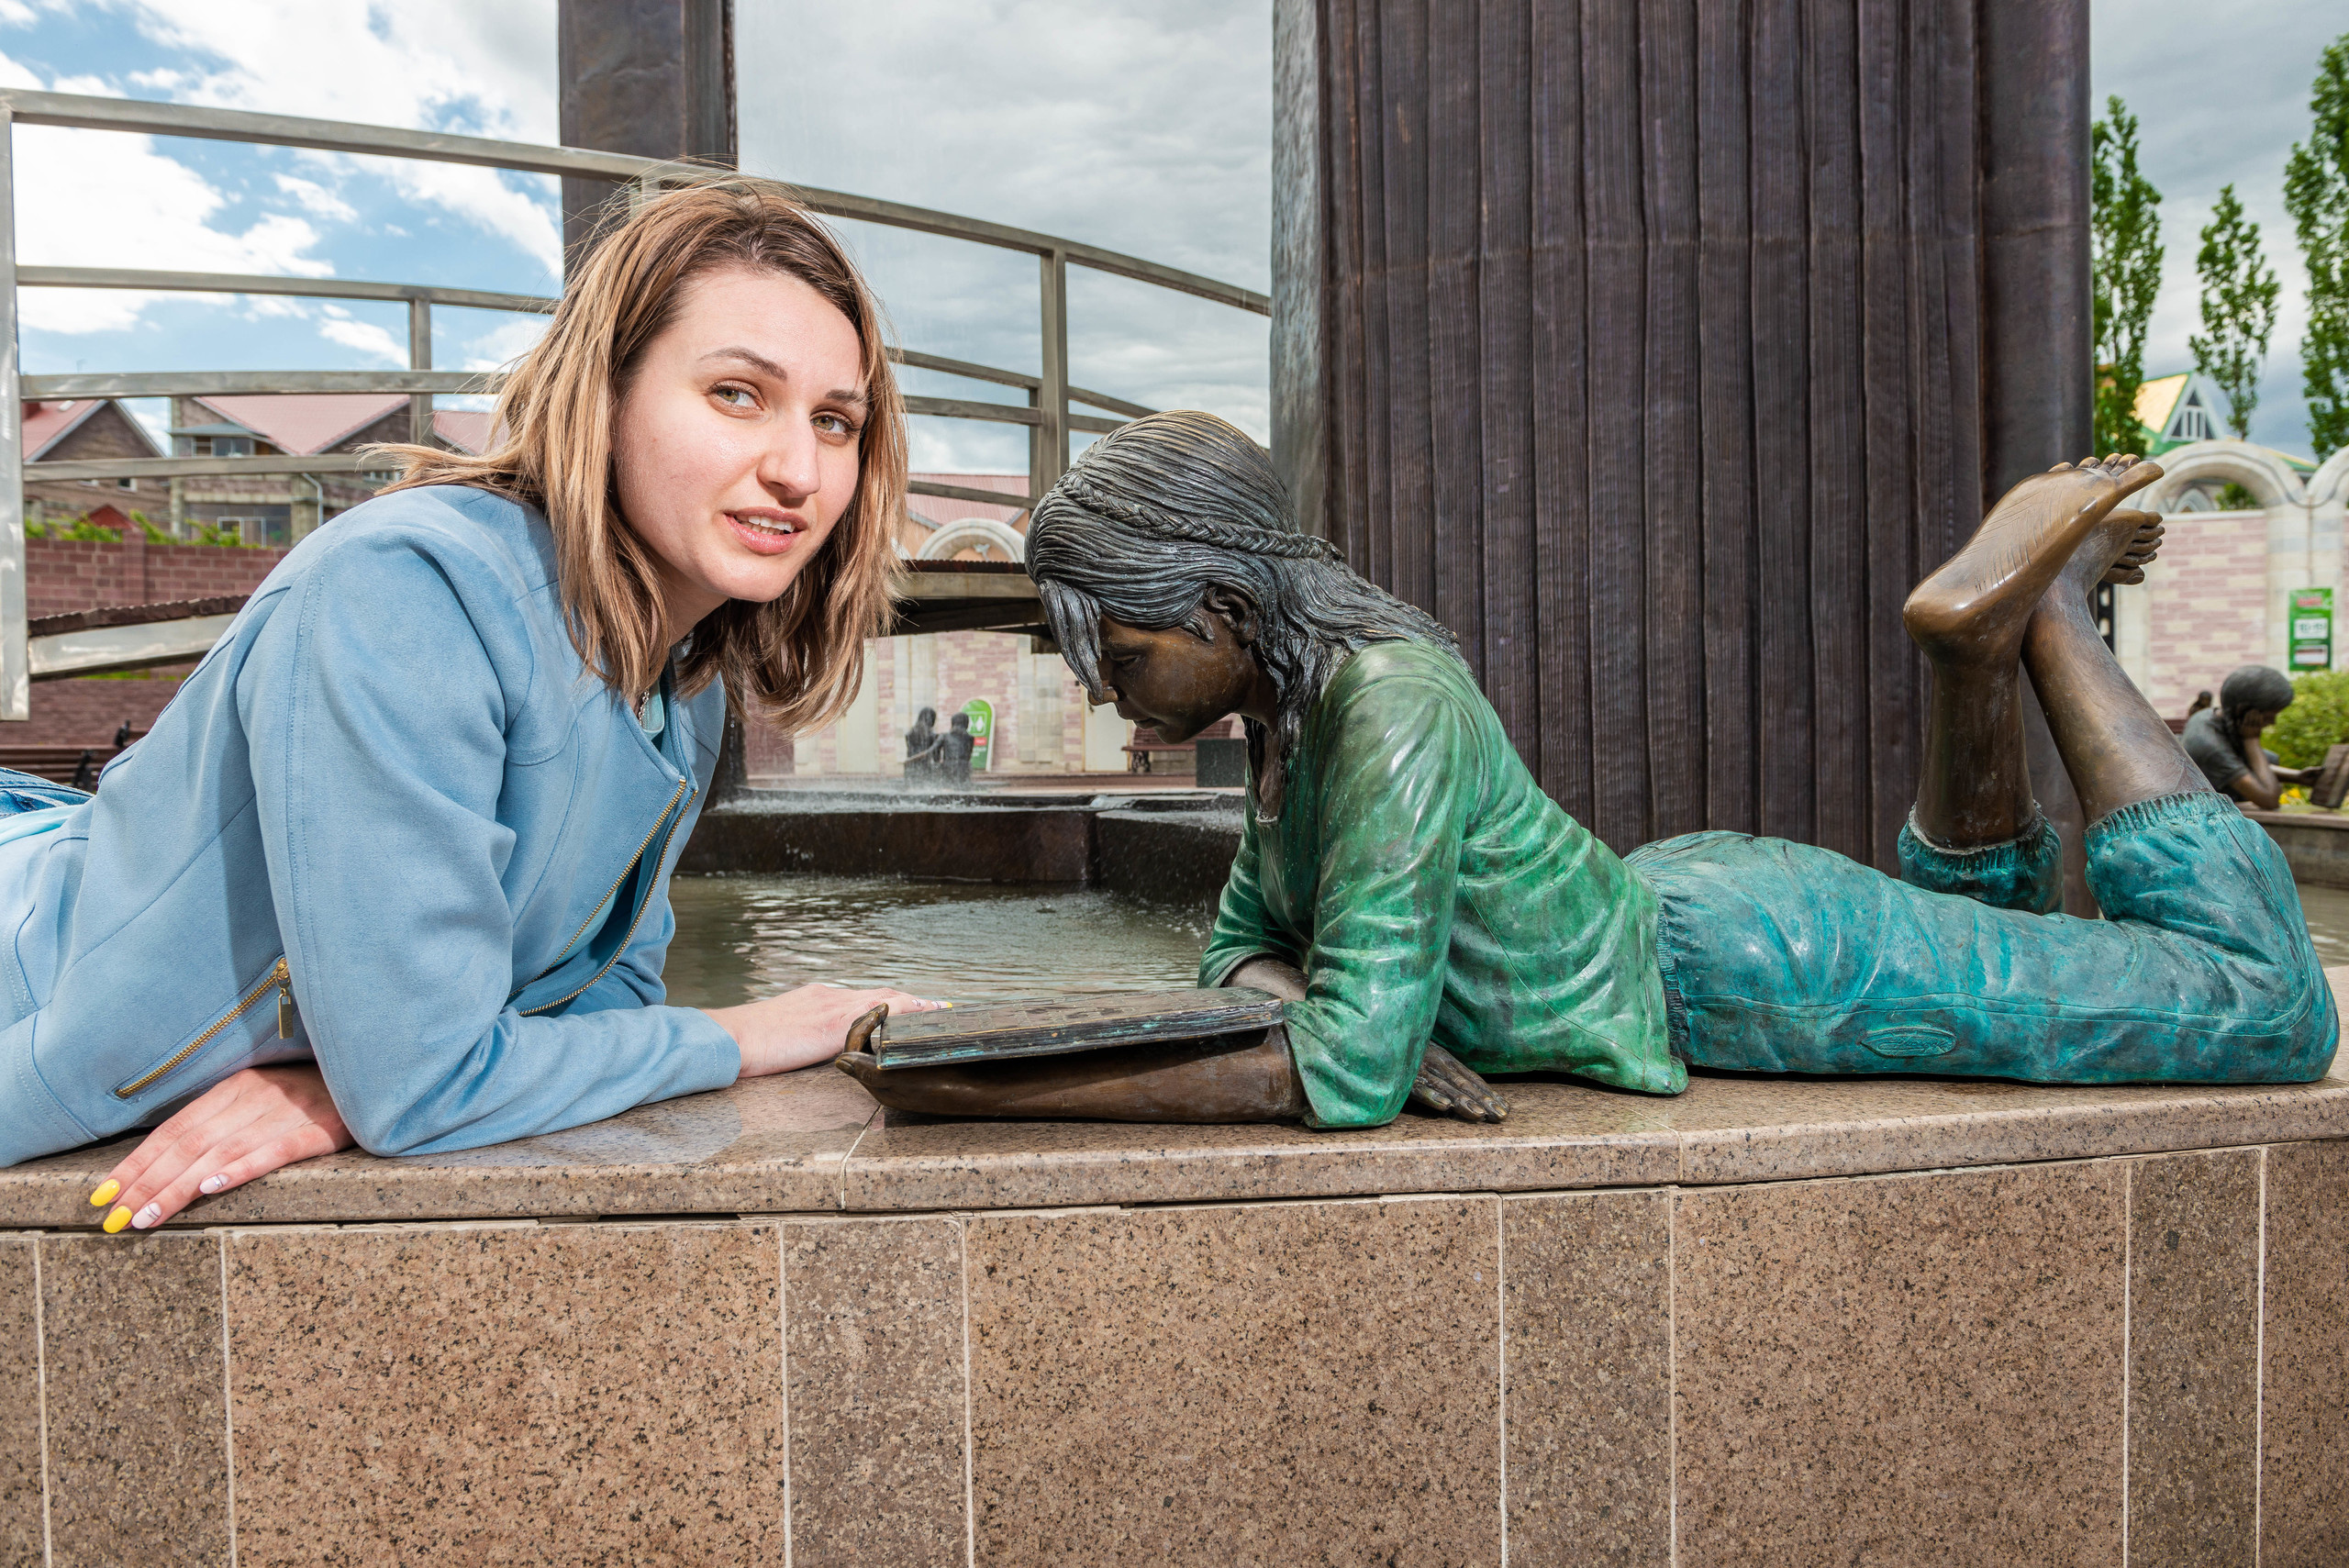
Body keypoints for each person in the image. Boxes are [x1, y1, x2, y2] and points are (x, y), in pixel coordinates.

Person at [838, 412, 2336, 1128]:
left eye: (1119, 643)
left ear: (1225, 607)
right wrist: (1323, 1007)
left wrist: (966, 1072)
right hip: (1708, 930)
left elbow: (1346, 1073)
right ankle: (1973, 652)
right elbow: (1250, 956)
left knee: (2258, 1003)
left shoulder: (1389, 702)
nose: (1101, 680)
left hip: (1753, 961)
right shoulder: (1289, 729)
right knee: (2008, 946)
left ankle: (2045, 619)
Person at [6, 178, 941, 1229]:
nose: (795, 469)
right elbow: (425, 1087)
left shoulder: (683, 687)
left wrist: (345, 1089)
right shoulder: (408, 591)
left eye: (834, 421)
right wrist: (743, 1033)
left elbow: (597, 1001)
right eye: (736, 394)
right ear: (609, 392)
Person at [2181, 665, 2318, 810]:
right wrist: (2251, 740)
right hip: (2203, 821)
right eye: (2269, 716)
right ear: (2244, 711)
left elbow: (2238, 763)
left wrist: (2297, 777)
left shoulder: (2209, 715)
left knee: (2269, 757)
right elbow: (2269, 800)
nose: (2272, 722)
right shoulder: (2210, 745)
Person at [903, 705, 942, 785]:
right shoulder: (932, 735)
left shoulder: (909, 734)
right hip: (925, 768)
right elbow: (936, 757)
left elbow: (909, 750)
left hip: (910, 767)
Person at [935, 711, 976, 784]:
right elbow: (968, 755)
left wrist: (937, 762)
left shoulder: (944, 736)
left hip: (948, 768)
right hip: (964, 768)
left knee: (947, 789)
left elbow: (934, 749)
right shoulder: (970, 738)